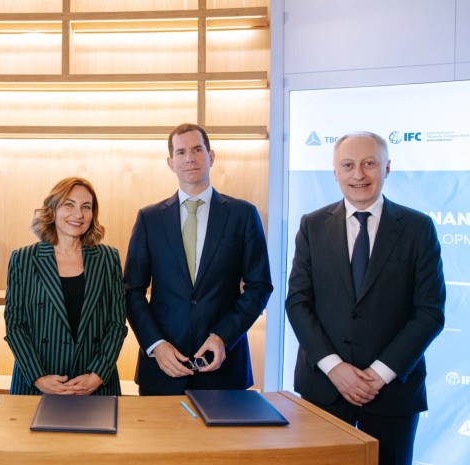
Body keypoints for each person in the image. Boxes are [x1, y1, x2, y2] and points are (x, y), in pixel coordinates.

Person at [286, 131, 445, 465]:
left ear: (387, 167)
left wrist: (379, 374)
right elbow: (298, 303)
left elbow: (430, 313)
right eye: (348, 165)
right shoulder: (312, 225)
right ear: (335, 172)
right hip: (324, 389)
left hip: (392, 392)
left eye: (369, 163)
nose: (358, 174)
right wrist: (334, 368)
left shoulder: (418, 228)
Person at [123, 123, 273, 396]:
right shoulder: (149, 218)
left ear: (211, 156)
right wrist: (156, 345)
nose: (189, 158)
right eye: (181, 152)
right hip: (162, 368)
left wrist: (223, 337)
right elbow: (132, 290)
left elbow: (260, 286)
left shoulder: (243, 214)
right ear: (171, 163)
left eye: (197, 150)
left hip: (224, 366)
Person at [4, 177, 127, 395]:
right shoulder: (23, 259)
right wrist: (38, 378)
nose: (78, 214)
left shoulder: (108, 258)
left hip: (95, 384)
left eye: (86, 207)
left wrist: (97, 376)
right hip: (37, 383)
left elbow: (116, 323)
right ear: (53, 210)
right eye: (69, 204)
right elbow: (15, 325)